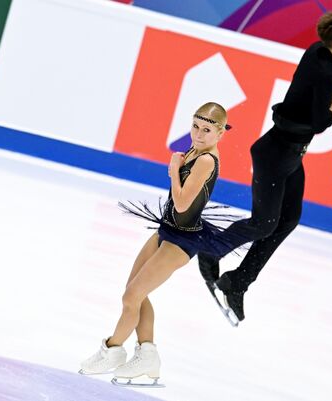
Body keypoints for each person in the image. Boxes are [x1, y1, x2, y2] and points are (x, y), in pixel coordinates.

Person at [198, 12, 332, 322]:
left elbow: (320, 73)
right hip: (276, 155)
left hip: (289, 156)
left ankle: (238, 282)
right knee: (265, 223)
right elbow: (319, 123)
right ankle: (212, 247)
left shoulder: (319, 52)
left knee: (288, 219)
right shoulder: (327, 73)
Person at [79, 102, 233, 385]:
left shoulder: (207, 160)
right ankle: (147, 353)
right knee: (134, 291)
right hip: (167, 229)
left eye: (207, 130)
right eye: (195, 127)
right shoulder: (195, 151)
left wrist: (174, 169)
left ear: (221, 132)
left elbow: (184, 201)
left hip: (183, 239)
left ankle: (113, 349)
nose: (198, 135)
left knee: (131, 297)